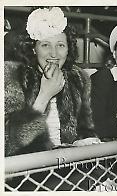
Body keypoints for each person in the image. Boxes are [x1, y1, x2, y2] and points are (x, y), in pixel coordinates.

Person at [4, 7, 99, 157]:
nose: (54, 53)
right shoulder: (12, 76)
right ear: (34, 48)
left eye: (60, 45)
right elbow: (9, 146)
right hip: (30, 170)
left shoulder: (78, 78)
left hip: (69, 164)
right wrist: (44, 96)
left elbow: (87, 129)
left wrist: (83, 141)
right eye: (45, 45)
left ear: (68, 48)